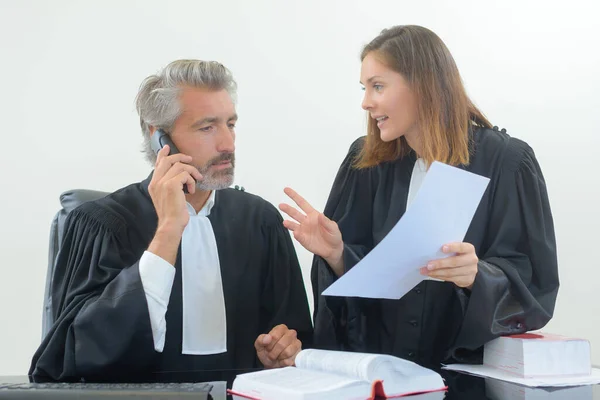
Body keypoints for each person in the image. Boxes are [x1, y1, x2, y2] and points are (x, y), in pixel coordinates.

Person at [279, 25, 559, 368]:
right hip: (382, 376)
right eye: (365, 88)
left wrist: (478, 276)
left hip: (465, 381)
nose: (366, 102)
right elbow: (354, 304)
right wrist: (337, 253)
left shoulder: (506, 163)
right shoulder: (366, 164)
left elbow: (534, 286)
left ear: (423, 85)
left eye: (378, 86)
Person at [30, 59, 313, 382]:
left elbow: (298, 343)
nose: (228, 144)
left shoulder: (260, 221)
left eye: (230, 124)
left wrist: (283, 352)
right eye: (207, 127)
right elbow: (69, 357)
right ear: (159, 137)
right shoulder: (101, 224)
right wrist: (168, 229)